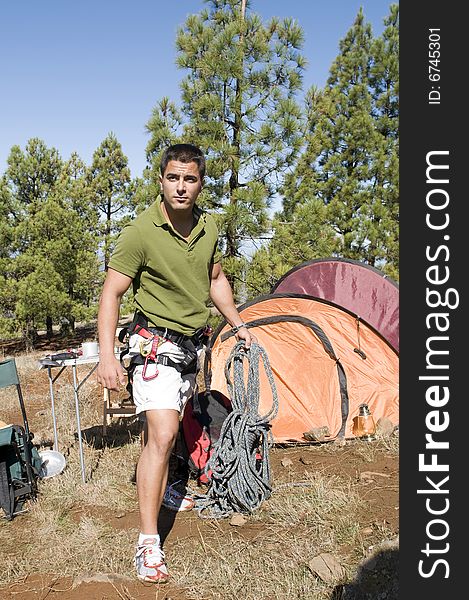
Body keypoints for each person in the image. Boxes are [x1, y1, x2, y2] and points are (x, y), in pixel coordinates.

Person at [96, 143, 255, 584]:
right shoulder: (140, 233)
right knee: (163, 434)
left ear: (200, 183)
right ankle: (148, 545)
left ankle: (166, 487)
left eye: (190, 179)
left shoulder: (209, 226)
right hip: (153, 347)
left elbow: (215, 279)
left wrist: (238, 323)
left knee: (165, 431)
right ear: (161, 180)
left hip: (191, 348)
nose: (181, 187)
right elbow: (111, 292)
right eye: (173, 178)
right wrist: (107, 354)